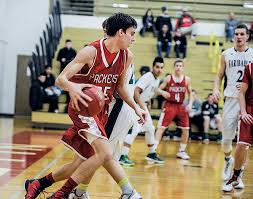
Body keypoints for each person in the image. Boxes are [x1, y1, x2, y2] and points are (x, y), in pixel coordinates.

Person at [24, 13, 146, 199]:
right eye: (131, 33)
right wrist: (74, 87)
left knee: (81, 162)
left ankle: (38, 184)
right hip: (83, 108)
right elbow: (60, 79)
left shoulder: (126, 56)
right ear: (120, 32)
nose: (133, 38)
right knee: (105, 152)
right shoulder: (91, 51)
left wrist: (136, 107)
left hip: (101, 112)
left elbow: (120, 87)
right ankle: (62, 194)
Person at [213, 24, 253, 184]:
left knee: (244, 142)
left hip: (248, 102)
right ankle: (229, 160)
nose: (239, 36)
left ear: (247, 36)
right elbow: (219, 75)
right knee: (226, 139)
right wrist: (216, 88)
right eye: (236, 34)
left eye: (242, 34)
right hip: (230, 99)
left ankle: (238, 174)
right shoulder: (226, 54)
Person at [119, 57, 165, 166]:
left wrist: (147, 103)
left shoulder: (156, 79)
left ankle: (152, 153)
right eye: (157, 67)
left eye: (161, 68)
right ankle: (122, 156)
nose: (159, 69)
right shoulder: (148, 77)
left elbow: (147, 93)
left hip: (142, 106)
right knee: (134, 130)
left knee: (150, 129)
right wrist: (140, 107)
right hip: (135, 106)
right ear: (153, 67)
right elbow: (136, 91)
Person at [222, 62, 253, 192]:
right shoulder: (250, 68)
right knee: (241, 144)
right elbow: (241, 93)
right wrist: (244, 112)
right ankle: (235, 176)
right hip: (250, 110)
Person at [155, 59, 193, 160]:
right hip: (170, 105)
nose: (178, 67)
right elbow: (158, 90)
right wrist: (163, 93)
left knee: (186, 129)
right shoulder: (168, 78)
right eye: (177, 66)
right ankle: (153, 150)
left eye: (180, 66)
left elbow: (191, 94)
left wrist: (190, 104)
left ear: (183, 68)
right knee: (161, 128)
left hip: (181, 106)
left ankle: (181, 151)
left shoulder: (187, 79)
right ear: (174, 67)